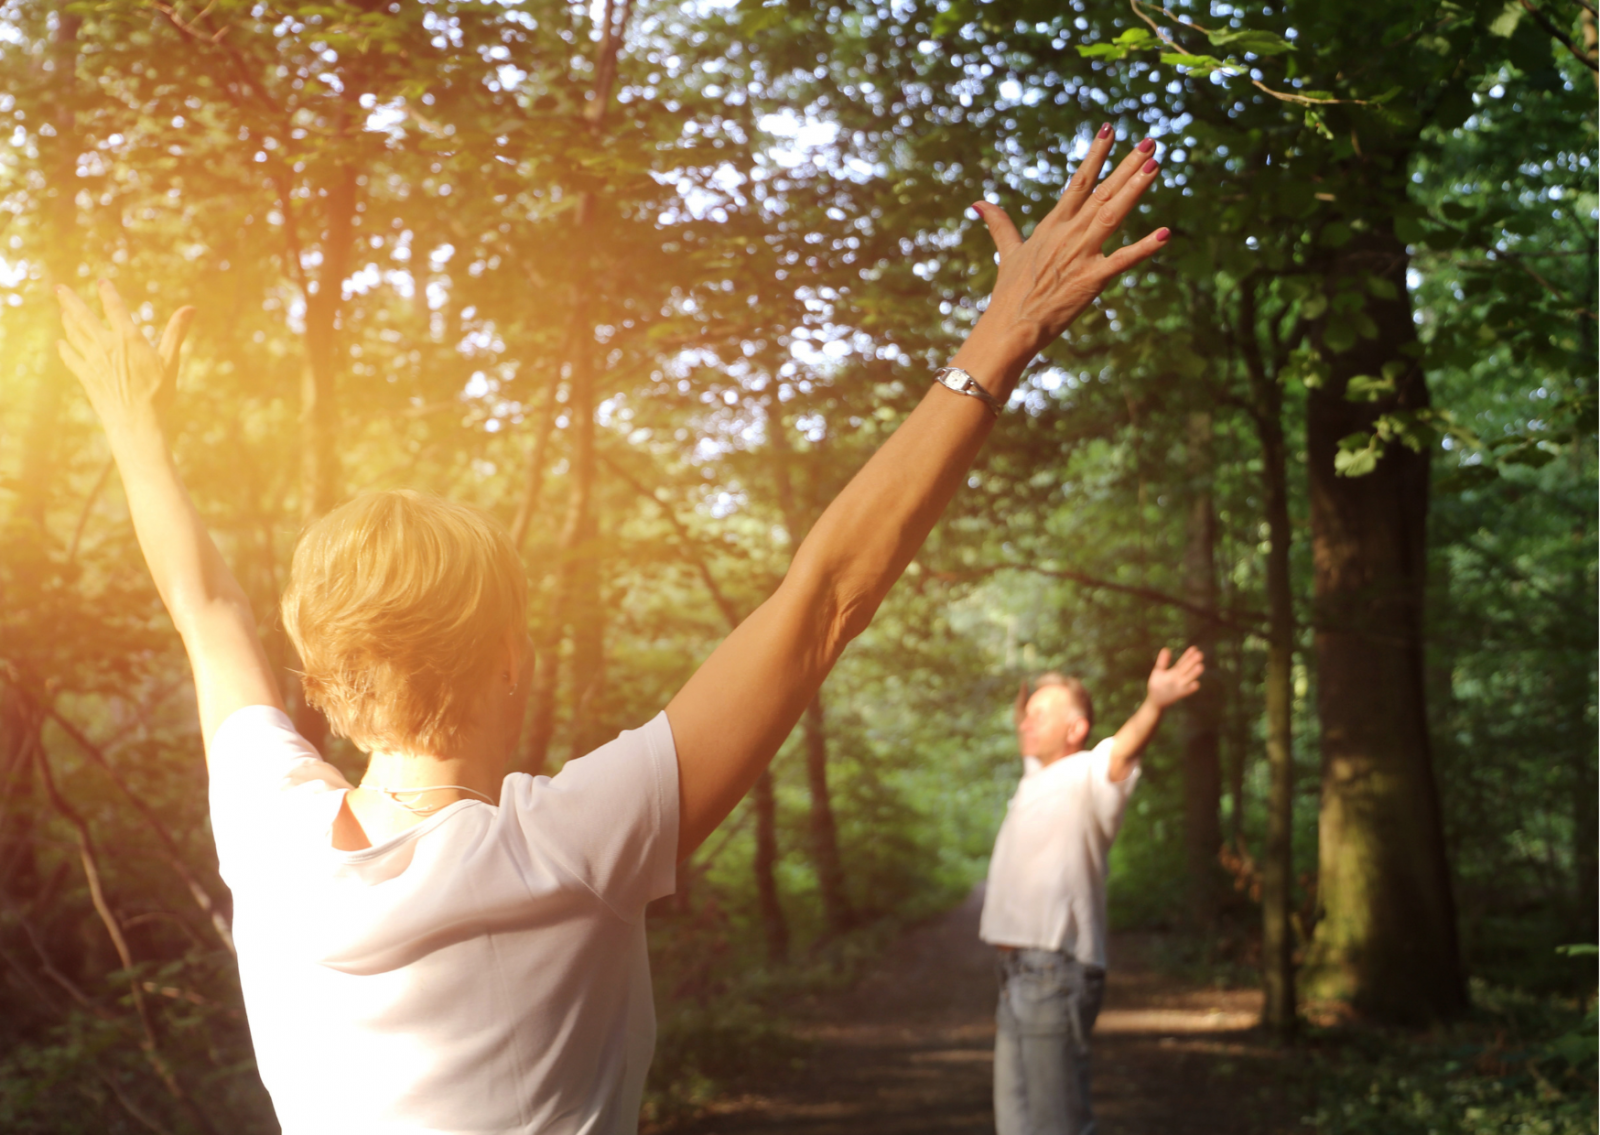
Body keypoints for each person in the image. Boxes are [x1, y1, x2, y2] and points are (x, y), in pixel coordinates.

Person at [54, 123, 1170, 1134]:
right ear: (509, 658)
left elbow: (203, 608)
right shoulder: (573, 845)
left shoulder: (269, 834)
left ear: (328, 682)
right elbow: (822, 597)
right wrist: (1002, 334)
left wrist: (129, 421)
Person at [980, 649, 1205, 1135]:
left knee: (1056, 1123)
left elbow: (1123, 748)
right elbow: (1026, 721)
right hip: (1014, 974)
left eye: (1041, 715)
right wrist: (1032, 693)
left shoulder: (1089, 775)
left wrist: (1155, 703)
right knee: (1015, 1125)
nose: (1026, 722)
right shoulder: (1034, 779)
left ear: (1076, 729)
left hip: (1054, 971)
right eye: (1026, 714)